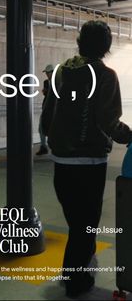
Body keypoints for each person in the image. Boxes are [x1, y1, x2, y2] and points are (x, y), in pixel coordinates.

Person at [42, 20, 132, 298]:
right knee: (85, 226)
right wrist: (128, 136)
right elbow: (108, 121)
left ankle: (74, 272)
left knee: (77, 225)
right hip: (89, 165)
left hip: (62, 165)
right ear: (105, 47)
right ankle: (77, 283)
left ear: (80, 41)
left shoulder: (60, 73)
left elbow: (47, 117)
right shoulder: (105, 75)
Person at [36, 64, 53, 156]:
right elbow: (46, 93)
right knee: (41, 128)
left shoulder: (58, 82)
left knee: (50, 129)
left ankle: (47, 147)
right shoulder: (46, 82)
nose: (46, 74)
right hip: (46, 108)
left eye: (48, 73)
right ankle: (44, 146)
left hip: (53, 110)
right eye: (46, 73)